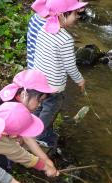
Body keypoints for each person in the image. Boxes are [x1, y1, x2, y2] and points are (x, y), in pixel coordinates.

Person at [31, 0, 88, 148]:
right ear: (63, 15)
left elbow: (38, 54)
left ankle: (32, 129)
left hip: (39, 81)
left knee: (39, 106)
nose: (77, 17)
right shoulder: (66, 39)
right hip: (54, 87)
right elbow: (70, 66)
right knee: (50, 110)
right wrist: (80, 80)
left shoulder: (44, 28)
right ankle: (41, 136)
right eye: (75, 13)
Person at [0, 101, 59, 177]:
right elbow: (26, 158)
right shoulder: (4, 143)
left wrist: (46, 159)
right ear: (14, 135)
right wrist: (48, 168)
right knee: (2, 163)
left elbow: (27, 138)